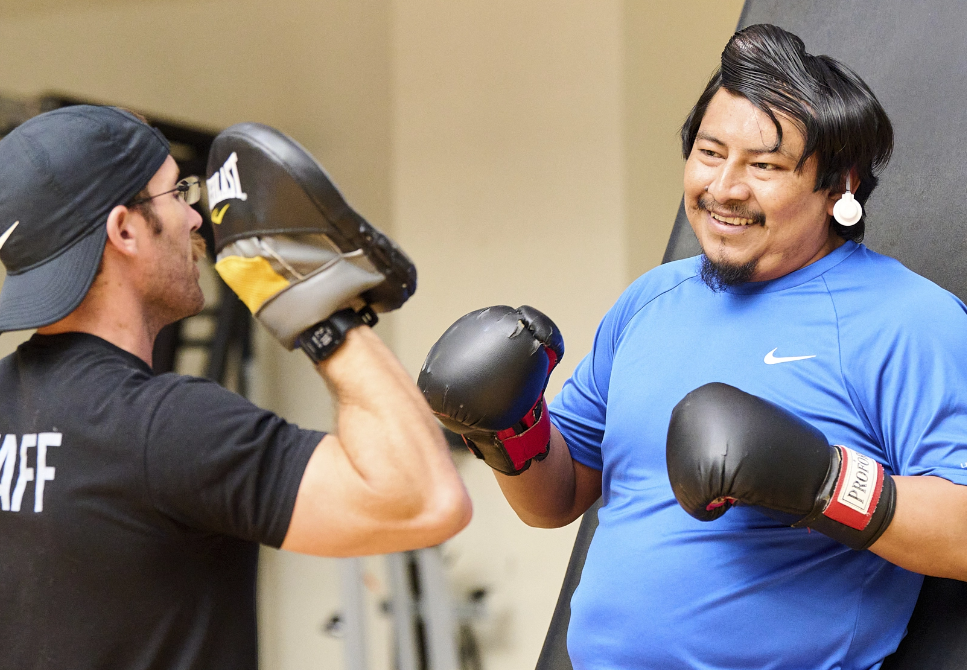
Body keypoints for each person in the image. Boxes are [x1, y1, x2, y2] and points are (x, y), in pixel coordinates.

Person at [419, 24, 967, 669]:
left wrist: (822, 482)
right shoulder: (652, 300)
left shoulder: (907, 319)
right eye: (710, 153)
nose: (724, 188)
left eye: (764, 165)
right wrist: (509, 428)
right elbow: (556, 500)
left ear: (839, 186)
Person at [0, 105, 471, 669]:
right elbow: (425, 500)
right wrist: (320, 312)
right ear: (125, 230)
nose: (195, 219)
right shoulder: (167, 427)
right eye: (176, 195)